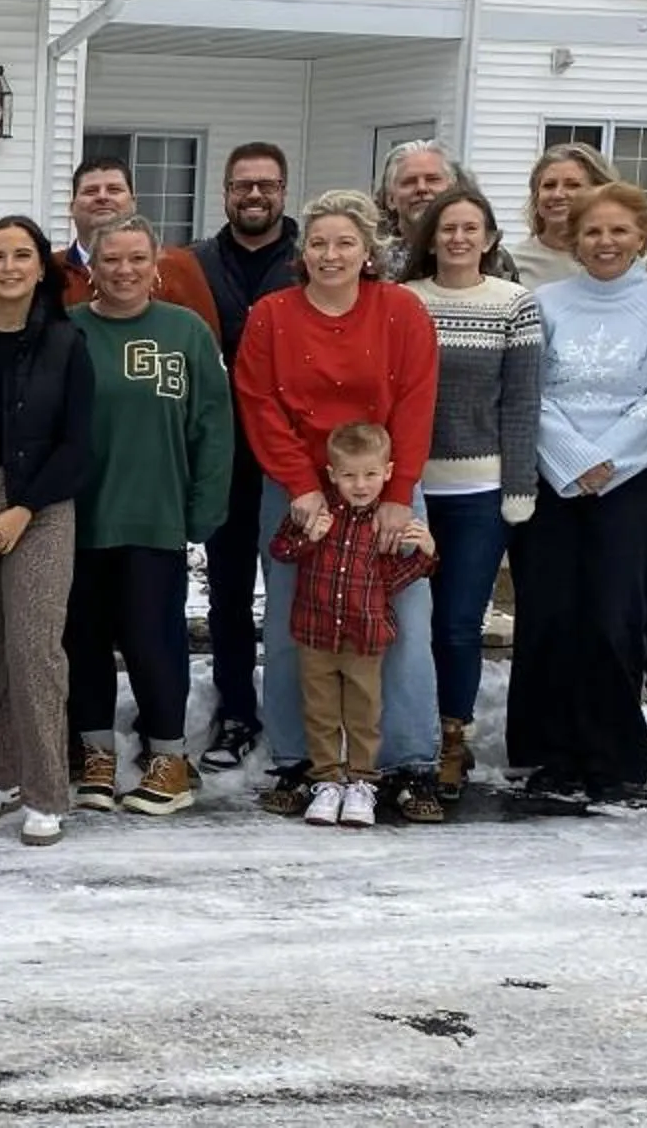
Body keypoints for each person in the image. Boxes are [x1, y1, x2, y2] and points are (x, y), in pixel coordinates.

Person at [235, 190, 442, 821]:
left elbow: (416, 401)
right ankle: (302, 762)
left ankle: (407, 764)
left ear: (368, 251)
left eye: (345, 242)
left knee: (403, 625)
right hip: (299, 487)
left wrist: (397, 496)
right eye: (319, 243)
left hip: (384, 486)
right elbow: (258, 402)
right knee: (293, 626)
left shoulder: (401, 311)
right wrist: (300, 485)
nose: (331, 254)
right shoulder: (272, 315)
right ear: (303, 253)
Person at [507, 182, 647, 805]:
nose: (605, 242)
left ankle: (611, 754)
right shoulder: (546, 301)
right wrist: (573, 461)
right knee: (551, 613)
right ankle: (550, 752)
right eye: (592, 231)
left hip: (632, 480)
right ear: (574, 239)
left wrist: (605, 461)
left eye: (618, 231)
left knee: (615, 616)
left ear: (642, 236)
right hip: (554, 478)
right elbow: (529, 389)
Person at [64, 214, 230, 818]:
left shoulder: (185, 332)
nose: (124, 270)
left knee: (153, 641)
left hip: (156, 516)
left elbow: (213, 425)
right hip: (79, 518)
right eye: (111, 259)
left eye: (137, 258)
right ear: (92, 266)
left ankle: (168, 758)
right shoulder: (69, 331)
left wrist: (204, 508)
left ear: (155, 264)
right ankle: (96, 754)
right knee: (82, 641)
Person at [0, 216, 92, 847]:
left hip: (43, 505)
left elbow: (79, 443)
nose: (8, 267)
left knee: (33, 647)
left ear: (39, 267)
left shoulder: (66, 341)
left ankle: (45, 791)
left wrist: (24, 507)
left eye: (22, 255)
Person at [393, 187, 542, 804]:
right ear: (430, 238)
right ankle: (408, 734)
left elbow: (523, 401)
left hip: (480, 492)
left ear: (489, 238)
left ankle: (453, 735)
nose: (458, 238)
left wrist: (519, 484)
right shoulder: (404, 300)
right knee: (407, 623)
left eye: (470, 228)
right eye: (447, 228)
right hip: (410, 489)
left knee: (457, 623)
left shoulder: (513, 304)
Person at [187, 142, 296, 771]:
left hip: (294, 456)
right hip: (223, 455)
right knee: (227, 594)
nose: (254, 195)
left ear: (283, 191)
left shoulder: (310, 260)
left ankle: (293, 716)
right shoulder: (195, 264)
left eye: (267, 185)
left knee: (293, 593)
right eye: (242, 185)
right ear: (225, 192)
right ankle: (235, 712)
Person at [269, 422, 438, 829]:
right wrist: (309, 538)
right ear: (332, 474)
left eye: (370, 474)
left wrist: (425, 556)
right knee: (321, 712)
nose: (360, 485)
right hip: (316, 633)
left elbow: (390, 581)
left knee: (365, 714)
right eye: (349, 475)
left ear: (388, 472)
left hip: (364, 639)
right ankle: (327, 781)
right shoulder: (319, 512)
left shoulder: (384, 524)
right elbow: (281, 550)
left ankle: (363, 782)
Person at [56, 156, 221, 338]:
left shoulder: (179, 265)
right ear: (71, 207)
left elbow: (205, 340)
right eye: (90, 191)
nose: (102, 197)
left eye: (114, 189)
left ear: (133, 203)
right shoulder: (49, 270)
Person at [508, 143, 620, 289]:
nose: (558, 194)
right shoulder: (511, 264)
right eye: (549, 185)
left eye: (572, 185)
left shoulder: (620, 260)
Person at [373, 139, 472, 279]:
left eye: (433, 179)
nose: (422, 188)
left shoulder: (481, 253)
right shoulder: (373, 262)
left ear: (454, 190)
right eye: (409, 182)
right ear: (390, 199)